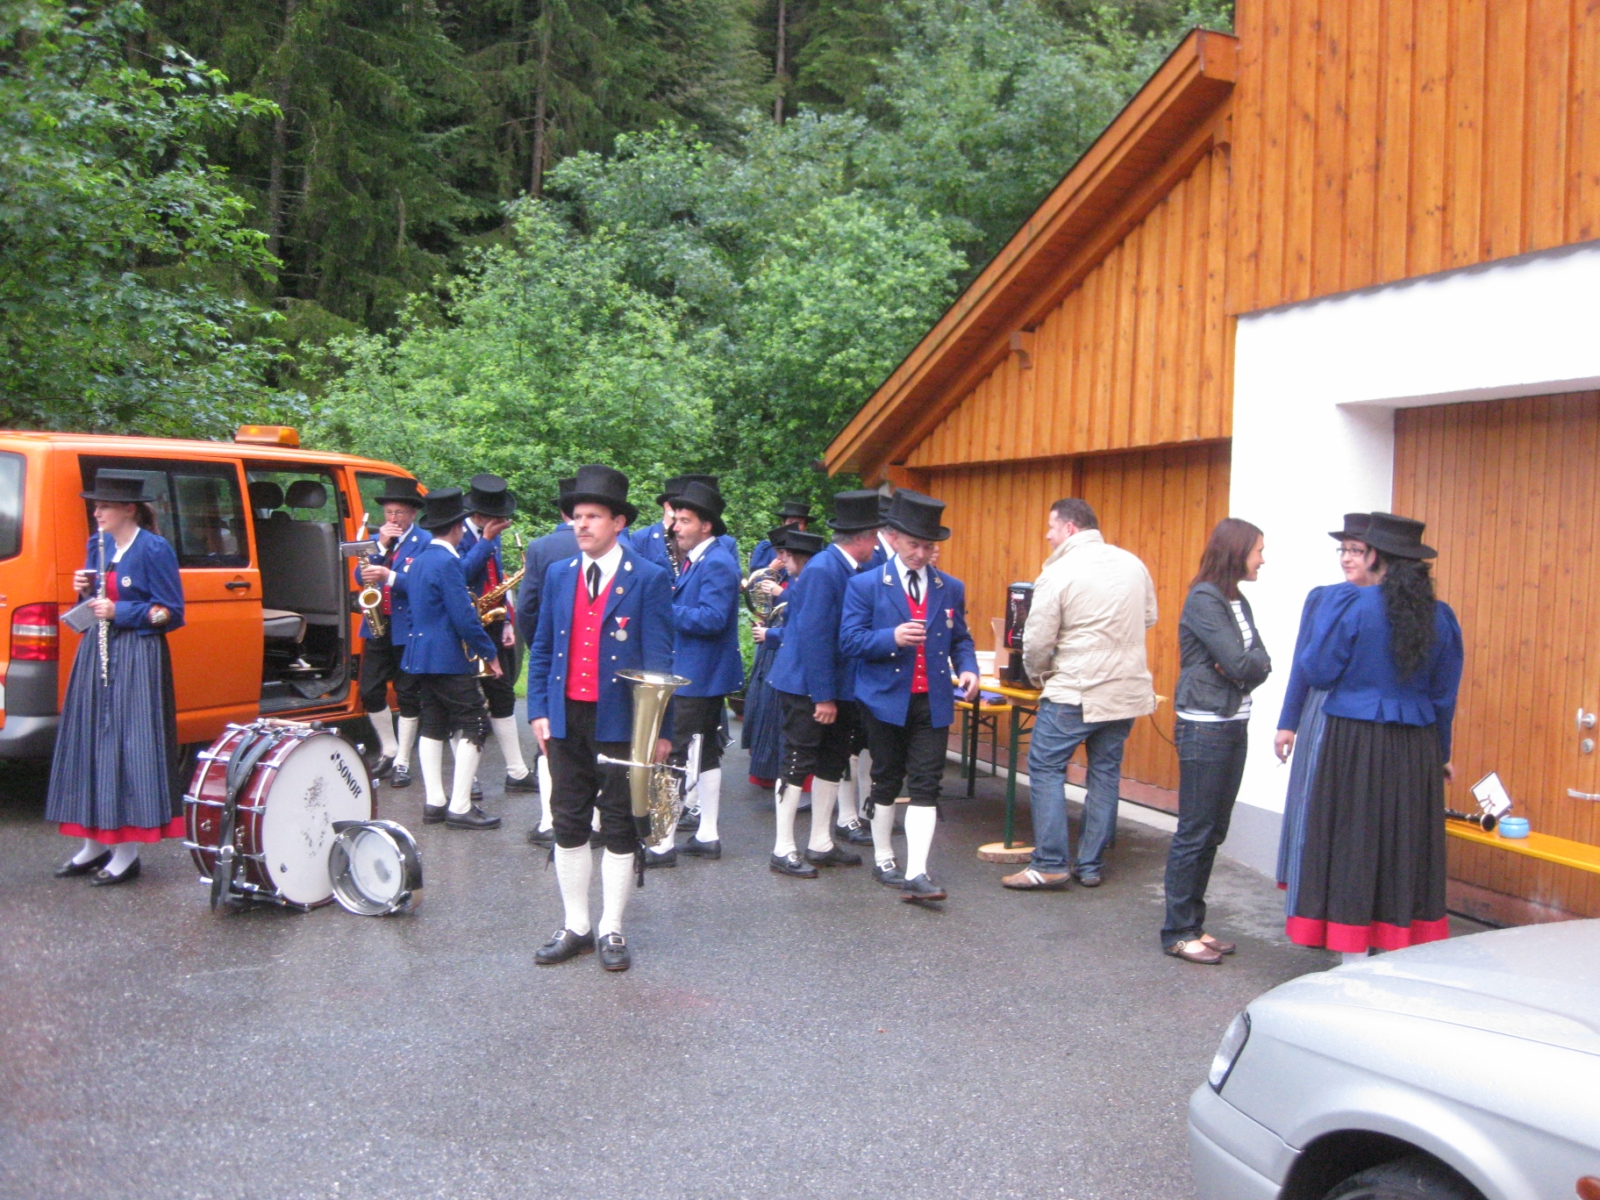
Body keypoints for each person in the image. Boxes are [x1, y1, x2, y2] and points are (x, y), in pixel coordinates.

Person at [1289, 513, 1463, 963]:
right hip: (1416, 746)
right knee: (1404, 844)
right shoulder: (1441, 616)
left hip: (1354, 740)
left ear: (1375, 557)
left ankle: (1351, 954)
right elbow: (1444, 695)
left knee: (1353, 839)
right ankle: (1396, 947)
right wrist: (1441, 753)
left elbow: (1319, 670)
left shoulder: (1354, 606)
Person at [526, 465, 674, 973]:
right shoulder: (559, 574)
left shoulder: (648, 577)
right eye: (577, 516)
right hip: (566, 717)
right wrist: (538, 710)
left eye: (592, 516)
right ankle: (576, 926)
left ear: (618, 523)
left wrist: (660, 731)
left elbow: (660, 660)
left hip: (623, 720)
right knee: (567, 820)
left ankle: (611, 927)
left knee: (618, 823)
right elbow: (542, 647)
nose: (581, 524)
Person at [1004, 498, 1157, 891]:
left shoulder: (1057, 572)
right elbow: (1149, 617)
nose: (1047, 535)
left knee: (1045, 767)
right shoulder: (1133, 564)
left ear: (1069, 528)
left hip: (1075, 689)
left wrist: (1038, 677)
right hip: (1125, 689)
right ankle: (1090, 865)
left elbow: (1037, 640)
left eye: (1051, 527)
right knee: (1104, 773)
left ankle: (1050, 863)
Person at [46, 470, 186, 886]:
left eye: (104, 506)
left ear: (129, 509)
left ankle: (127, 853)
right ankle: (93, 845)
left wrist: (121, 611)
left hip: (138, 655)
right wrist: (84, 592)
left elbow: (170, 612)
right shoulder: (99, 544)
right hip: (97, 651)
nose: (97, 512)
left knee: (128, 746)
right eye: (96, 505)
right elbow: (95, 602)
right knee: (90, 742)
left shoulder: (154, 548)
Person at [840, 491, 979, 902]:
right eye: (913, 544)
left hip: (932, 700)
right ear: (894, 538)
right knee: (886, 778)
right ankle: (884, 858)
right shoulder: (865, 585)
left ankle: (917, 870)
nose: (920, 554)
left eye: (927, 546)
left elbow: (961, 638)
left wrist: (968, 666)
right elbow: (849, 640)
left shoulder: (949, 588)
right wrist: (892, 637)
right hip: (883, 698)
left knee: (926, 783)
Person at [1161, 519, 1271, 964]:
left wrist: (1243, 665)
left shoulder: (1237, 600)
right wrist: (1242, 665)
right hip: (1205, 726)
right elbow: (1241, 663)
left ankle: (1194, 924)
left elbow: (1259, 662)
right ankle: (1177, 932)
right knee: (1195, 830)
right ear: (1237, 552)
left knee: (1214, 830)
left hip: (1233, 723)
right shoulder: (1205, 598)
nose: (1263, 559)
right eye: (1258, 550)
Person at [765, 490, 881, 878]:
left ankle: (820, 843)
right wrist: (823, 696)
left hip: (835, 686)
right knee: (797, 761)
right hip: (808, 686)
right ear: (862, 537)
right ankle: (783, 847)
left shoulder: (844, 567)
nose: (877, 543)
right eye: (875, 536)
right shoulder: (823, 569)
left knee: (833, 760)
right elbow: (815, 636)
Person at [1274, 514, 1380, 912]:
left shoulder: (1392, 604)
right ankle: (1306, 899)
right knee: (1311, 800)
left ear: (1377, 555)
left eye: (1357, 550)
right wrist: (1288, 722)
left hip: (1366, 721)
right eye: (1344, 549)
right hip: (1321, 711)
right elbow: (1302, 662)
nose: (1347, 558)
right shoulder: (1323, 598)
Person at [647, 480, 744, 864]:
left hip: (697, 676)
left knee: (672, 753)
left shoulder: (716, 561)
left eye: (684, 521)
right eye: (676, 520)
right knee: (705, 754)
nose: (675, 528)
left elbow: (712, 619)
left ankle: (662, 843)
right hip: (700, 674)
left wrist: (662, 610)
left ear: (706, 525)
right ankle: (707, 835)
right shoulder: (702, 557)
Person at [401, 488, 504, 830]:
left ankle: (434, 803)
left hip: (420, 655)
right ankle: (460, 806)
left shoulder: (420, 559)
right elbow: (464, 617)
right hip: (446, 657)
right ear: (458, 527)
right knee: (475, 722)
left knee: (433, 723)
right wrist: (489, 653)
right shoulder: (447, 562)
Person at [459, 474, 535, 800]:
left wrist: (506, 621)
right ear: (481, 515)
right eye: (498, 518)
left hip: (492, 622)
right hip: (464, 628)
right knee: (465, 703)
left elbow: (497, 580)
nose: (503, 523)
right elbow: (460, 574)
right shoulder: (457, 533)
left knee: (503, 696)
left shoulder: (493, 535)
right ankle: (468, 780)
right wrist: (485, 542)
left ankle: (517, 772)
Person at [356, 477, 430, 787]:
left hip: (409, 627)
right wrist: (380, 546)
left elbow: (425, 583)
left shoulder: (425, 541)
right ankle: (389, 749)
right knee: (369, 690)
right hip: (378, 625)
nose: (393, 518)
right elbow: (359, 578)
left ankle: (402, 761)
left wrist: (390, 576)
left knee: (407, 693)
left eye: (399, 512)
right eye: (388, 512)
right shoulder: (376, 539)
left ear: (413, 513)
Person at [518, 477, 578, 848]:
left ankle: (548, 821)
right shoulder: (623, 544)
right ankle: (594, 818)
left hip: (554, 651)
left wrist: (539, 644)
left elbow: (526, 607)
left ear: (560, 509)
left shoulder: (540, 547)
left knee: (549, 736)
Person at [748, 500, 810, 573]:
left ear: (805, 526)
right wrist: (771, 568)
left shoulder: (811, 551)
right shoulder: (766, 549)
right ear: (783, 524)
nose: (794, 526)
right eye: (790, 521)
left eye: (798, 523)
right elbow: (753, 578)